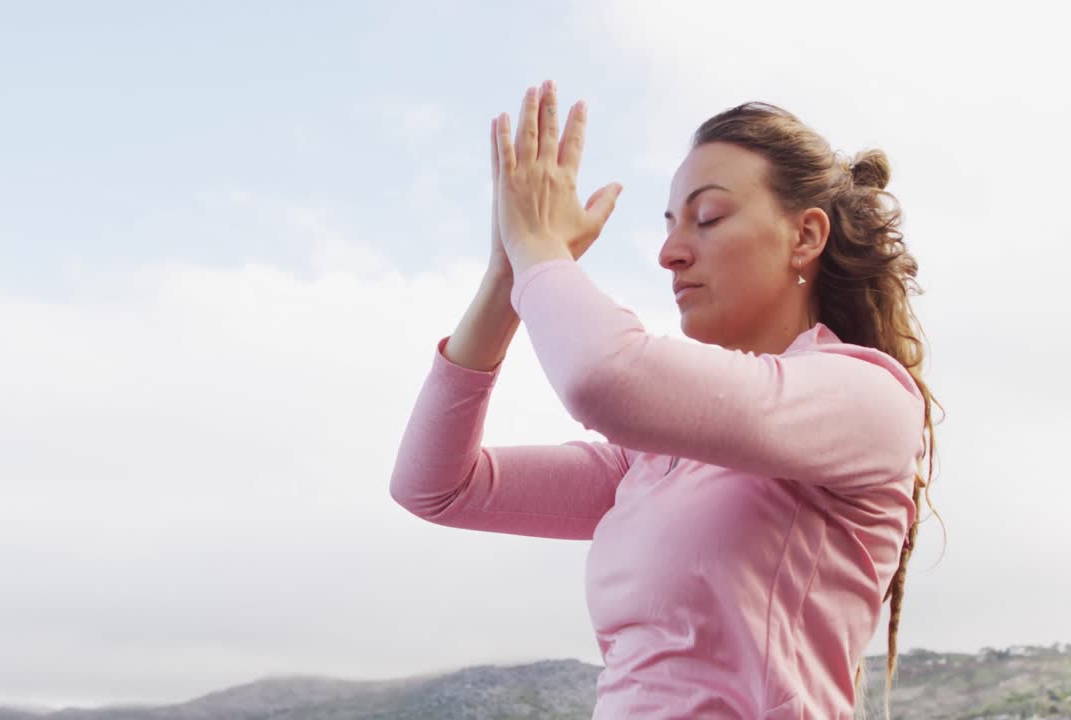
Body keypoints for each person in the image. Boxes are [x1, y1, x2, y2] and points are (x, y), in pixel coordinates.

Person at [390, 80, 945, 720]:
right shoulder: (650, 462)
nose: (670, 253)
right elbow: (434, 486)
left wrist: (540, 250)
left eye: (707, 219)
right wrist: (505, 276)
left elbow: (606, 377)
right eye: (671, 224)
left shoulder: (864, 397)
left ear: (805, 235)